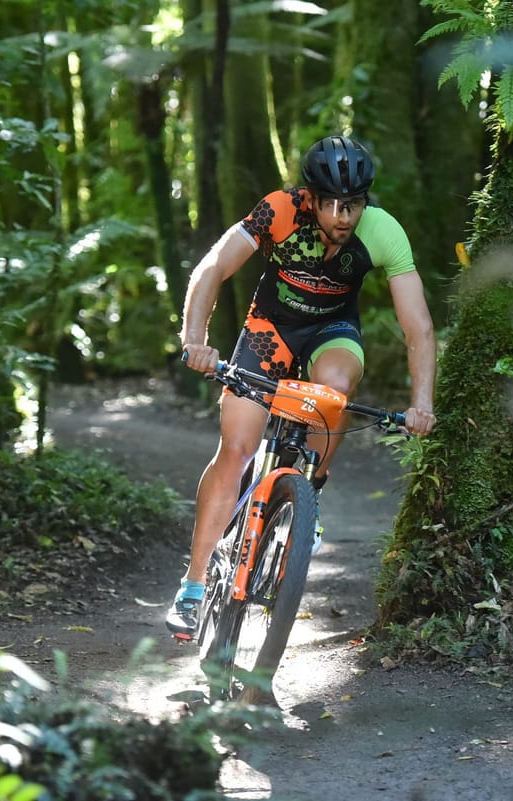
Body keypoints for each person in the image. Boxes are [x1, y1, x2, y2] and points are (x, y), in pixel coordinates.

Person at [167, 134, 437, 639]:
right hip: (269, 329)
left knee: (335, 384)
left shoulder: (383, 233)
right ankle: (194, 585)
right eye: (331, 203)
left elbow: (418, 326)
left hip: (332, 333)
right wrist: (195, 341)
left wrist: (422, 404)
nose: (342, 215)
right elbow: (213, 267)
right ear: (308, 196)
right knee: (238, 449)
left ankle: (306, 496)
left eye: (353, 204)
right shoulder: (278, 210)